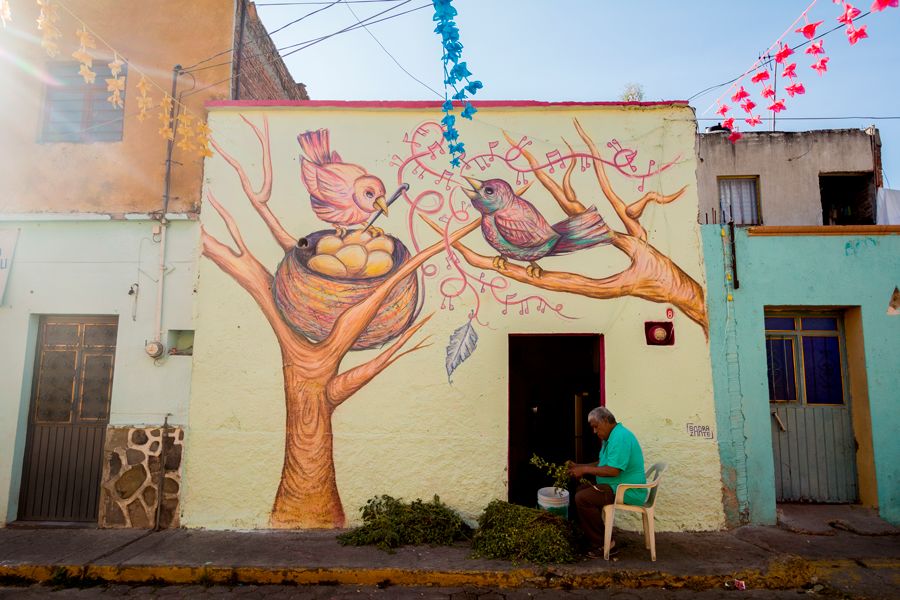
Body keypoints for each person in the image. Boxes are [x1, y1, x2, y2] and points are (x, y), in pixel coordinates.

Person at [567, 406, 646, 556]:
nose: (595, 431)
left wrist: (584, 470)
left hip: (627, 490)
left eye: (596, 427)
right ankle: (592, 536)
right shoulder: (610, 437)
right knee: (580, 490)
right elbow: (602, 463)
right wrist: (580, 466)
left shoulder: (620, 437)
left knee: (583, 498)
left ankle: (605, 544)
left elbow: (613, 470)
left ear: (605, 420)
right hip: (615, 486)